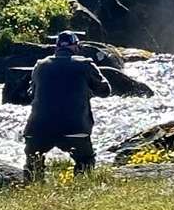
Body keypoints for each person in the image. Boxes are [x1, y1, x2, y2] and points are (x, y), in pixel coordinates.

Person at [24, 30, 112, 182]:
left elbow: (31, 93)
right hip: (75, 127)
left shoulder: (40, 65)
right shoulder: (85, 64)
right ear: (76, 47)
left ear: (57, 47)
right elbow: (105, 91)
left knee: (33, 162)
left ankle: (33, 189)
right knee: (85, 160)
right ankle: (80, 192)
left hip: (38, 128)